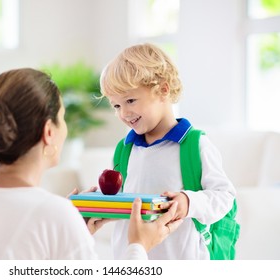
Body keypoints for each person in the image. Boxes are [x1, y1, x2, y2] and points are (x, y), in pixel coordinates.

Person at [0, 68, 182, 260]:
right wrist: (138, 246)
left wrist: (70, 235)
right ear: (49, 132)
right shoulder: (55, 215)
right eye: (62, 118)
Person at [99, 43, 237, 260]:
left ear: (163, 90)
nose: (123, 113)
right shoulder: (124, 149)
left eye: (130, 100)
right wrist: (98, 206)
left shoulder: (194, 145)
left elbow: (224, 197)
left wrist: (188, 202)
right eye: (116, 106)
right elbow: (127, 205)